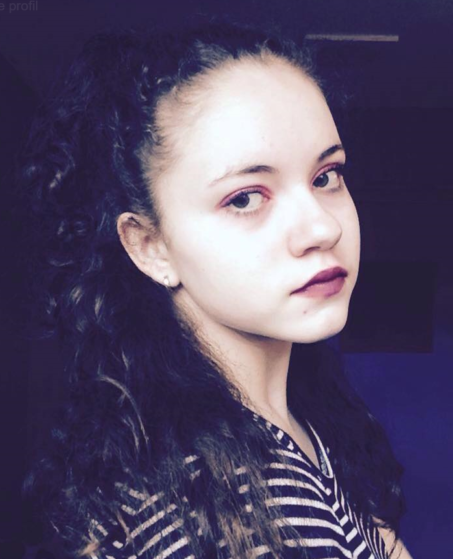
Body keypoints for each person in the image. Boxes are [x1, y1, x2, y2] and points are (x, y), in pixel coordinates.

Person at [21, 19, 412, 559]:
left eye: (326, 176)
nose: (323, 228)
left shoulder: (293, 427)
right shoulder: (216, 503)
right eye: (246, 198)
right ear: (151, 246)